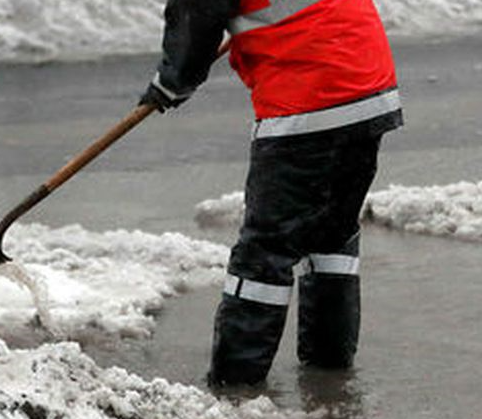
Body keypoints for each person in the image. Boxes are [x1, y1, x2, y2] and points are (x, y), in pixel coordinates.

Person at [140, 0, 403, 387]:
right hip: (369, 89)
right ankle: (329, 367)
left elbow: (197, 13)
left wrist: (171, 83)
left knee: (263, 256)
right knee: (332, 235)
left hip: (309, 101)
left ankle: (236, 384)